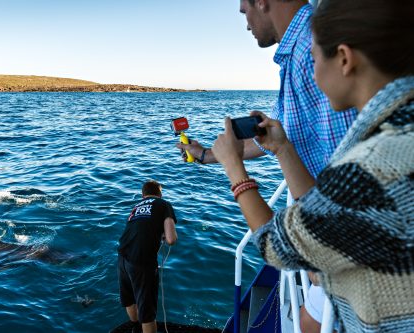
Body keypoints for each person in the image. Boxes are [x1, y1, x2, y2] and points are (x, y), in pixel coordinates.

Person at [211, 0, 414, 331]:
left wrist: (234, 168)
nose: (313, 72)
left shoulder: (370, 169)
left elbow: (274, 246)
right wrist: (283, 147)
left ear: (345, 60)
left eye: (316, 57)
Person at [178, 0, 356, 330]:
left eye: (244, 6)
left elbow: (274, 248)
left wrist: (323, 251)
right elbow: (275, 140)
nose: (242, 15)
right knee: (305, 321)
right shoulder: (300, 51)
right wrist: (206, 154)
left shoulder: (315, 47)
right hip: (330, 232)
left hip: (343, 248)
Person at [117, 180, 178, 333]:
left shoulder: (136, 206)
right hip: (142, 261)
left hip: (123, 256)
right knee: (148, 313)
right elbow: (171, 239)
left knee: (130, 299)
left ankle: (135, 327)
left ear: (143, 195)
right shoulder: (163, 204)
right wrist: (165, 235)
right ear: (160, 194)